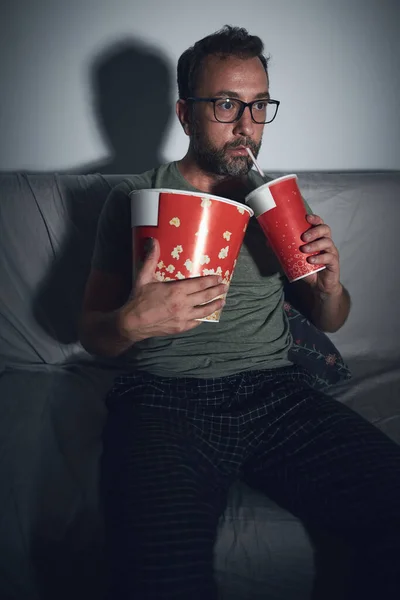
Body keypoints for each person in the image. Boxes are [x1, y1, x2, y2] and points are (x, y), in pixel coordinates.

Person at [79, 25, 400, 600]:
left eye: (258, 105)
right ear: (185, 114)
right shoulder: (132, 200)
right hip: (165, 400)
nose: (245, 123)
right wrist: (130, 323)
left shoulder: (276, 202)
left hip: (277, 395)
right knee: (158, 572)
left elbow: (330, 320)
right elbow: (91, 333)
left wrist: (329, 288)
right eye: (226, 103)